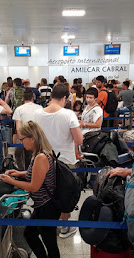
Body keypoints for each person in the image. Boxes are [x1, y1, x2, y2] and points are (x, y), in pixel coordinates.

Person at [0, 121, 59, 258]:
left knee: (45, 240)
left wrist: (12, 181)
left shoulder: (40, 156)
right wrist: (19, 173)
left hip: (46, 205)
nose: (21, 142)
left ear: (32, 138)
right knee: (35, 235)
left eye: (23, 139)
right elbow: (36, 173)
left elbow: (34, 186)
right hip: (44, 204)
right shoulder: (42, 153)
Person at [34, 84, 83, 238]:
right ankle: (64, 227)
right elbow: (79, 140)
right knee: (64, 194)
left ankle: (49, 227)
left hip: (43, 160)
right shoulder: (68, 115)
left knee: (46, 194)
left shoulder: (37, 114)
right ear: (64, 98)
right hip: (66, 160)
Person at [13, 89, 42, 170]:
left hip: (24, 136)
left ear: (23, 98)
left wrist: (21, 139)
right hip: (37, 136)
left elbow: (18, 127)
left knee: (18, 154)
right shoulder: (40, 108)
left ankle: (22, 170)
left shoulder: (19, 109)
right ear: (33, 98)